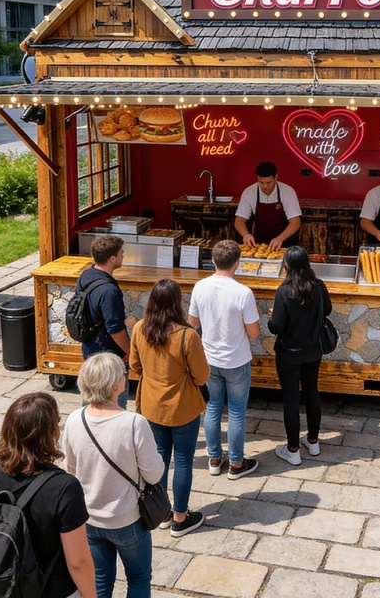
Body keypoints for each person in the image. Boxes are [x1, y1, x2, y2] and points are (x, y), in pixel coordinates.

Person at [0, 393, 97, 598]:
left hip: (1, 590)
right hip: (53, 591)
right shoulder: (64, 487)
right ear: (50, 433)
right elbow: (78, 562)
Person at [62, 353, 164, 598]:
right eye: (122, 374)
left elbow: (69, 471)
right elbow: (154, 474)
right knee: (139, 579)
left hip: (90, 517)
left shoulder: (75, 419)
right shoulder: (134, 423)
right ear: (115, 384)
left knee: (99, 580)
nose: (125, 377)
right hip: (127, 518)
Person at [129, 279, 210, 537]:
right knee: (183, 460)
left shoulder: (140, 329)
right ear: (177, 303)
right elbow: (202, 376)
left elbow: (135, 367)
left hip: (152, 406)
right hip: (183, 407)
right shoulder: (188, 336)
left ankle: (161, 512)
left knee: (160, 459)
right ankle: (180, 517)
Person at [188, 240, 260, 480]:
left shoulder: (200, 287)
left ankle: (214, 459)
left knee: (213, 408)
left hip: (209, 359)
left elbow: (192, 323)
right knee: (237, 412)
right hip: (236, 360)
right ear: (237, 263)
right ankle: (236, 463)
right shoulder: (243, 293)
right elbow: (254, 333)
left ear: (213, 261)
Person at [267, 247, 332, 466]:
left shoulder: (283, 291)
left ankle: (293, 450)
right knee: (312, 393)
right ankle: (313, 442)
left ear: (287, 265)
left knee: (291, 399)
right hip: (313, 351)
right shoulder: (319, 286)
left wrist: (271, 317)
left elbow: (276, 327)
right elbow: (327, 310)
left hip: (289, 353)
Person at [78, 235, 134, 408]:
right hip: (110, 358)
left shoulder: (86, 276)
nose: (123, 255)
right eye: (121, 253)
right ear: (112, 258)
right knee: (115, 404)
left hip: (90, 349)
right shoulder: (109, 291)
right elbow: (115, 328)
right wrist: (129, 351)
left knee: (91, 399)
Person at [234, 161, 302, 250]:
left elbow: (295, 221)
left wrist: (281, 238)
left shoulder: (287, 192)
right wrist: (245, 235)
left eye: (269, 182)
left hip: (284, 243)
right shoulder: (249, 192)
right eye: (261, 182)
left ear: (276, 177)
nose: (265, 186)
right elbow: (239, 220)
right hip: (258, 243)